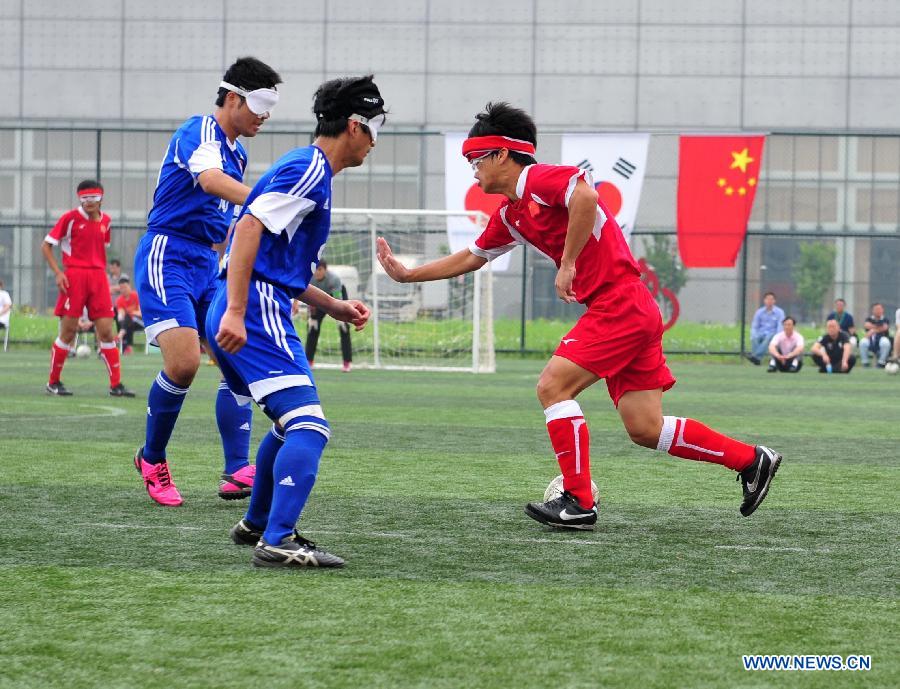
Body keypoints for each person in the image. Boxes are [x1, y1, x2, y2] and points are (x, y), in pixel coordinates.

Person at [376, 102, 782, 531]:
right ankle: (751, 460)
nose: (472, 170)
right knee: (645, 428)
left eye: (476, 160)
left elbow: (586, 196)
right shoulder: (513, 213)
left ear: (501, 154)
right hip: (632, 307)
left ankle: (579, 500)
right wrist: (408, 275)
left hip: (619, 304)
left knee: (553, 385)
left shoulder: (537, 177)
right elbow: (473, 256)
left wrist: (567, 262)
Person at [208, 75, 382, 568]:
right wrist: (240, 312)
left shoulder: (309, 170)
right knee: (310, 425)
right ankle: (279, 539)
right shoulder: (310, 167)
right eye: (374, 128)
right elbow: (247, 230)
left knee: (288, 426)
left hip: (249, 300)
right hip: (254, 307)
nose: (374, 141)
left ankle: (259, 522)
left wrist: (332, 305)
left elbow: (274, 260)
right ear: (354, 125)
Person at [132, 57, 282, 506]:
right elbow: (211, 181)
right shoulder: (198, 132)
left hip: (207, 264)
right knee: (183, 365)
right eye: (259, 103)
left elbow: (235, 219)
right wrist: (271, 202)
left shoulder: (238, 150)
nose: (265, 114)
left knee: (237, 357)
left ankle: (236, 469)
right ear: (233, 98)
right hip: (168, 254)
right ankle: (151, 458)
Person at [41, 180, 134, 397]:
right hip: (74, 276)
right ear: (79, 198)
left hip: (98, 278)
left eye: (93, 198)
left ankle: (116, 385)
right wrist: (58, 273)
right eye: (85, 198)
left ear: (101, 198)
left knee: (106, 332)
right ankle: (53, 382)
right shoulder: (69, 219)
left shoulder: (107, 221)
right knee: (68, 331)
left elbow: (102, 247)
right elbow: (46, 246)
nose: (89, 202)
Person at [304, 261, 353, 372]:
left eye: (320, 269)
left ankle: (347, 363)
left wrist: (341, 316)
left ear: (325, 270)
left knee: (343, 328)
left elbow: (338, 300)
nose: (317, 272)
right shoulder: (310, 279)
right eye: (315, 269)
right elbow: (309, 298)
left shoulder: (334, 279)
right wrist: (312, 317)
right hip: (319, 299)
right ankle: (309, 361)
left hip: (336, 298)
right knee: (312, 329)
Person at [749, 292, 785, 365]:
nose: (769, 301)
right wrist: (753, 335)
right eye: (767, 299)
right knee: (754, 338)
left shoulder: (780, 312)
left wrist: (777, 337)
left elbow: (780, 327)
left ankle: (756, 357)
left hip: (773, 333)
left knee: (768, 338)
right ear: (764, 300)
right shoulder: (759, 312)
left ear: (774, 301)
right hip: (761, 333)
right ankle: (757, 359)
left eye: (771, 299)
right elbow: (754, 326)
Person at [115, 277, 143, 355]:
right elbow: (121, 314)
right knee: (126, 321)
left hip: (140, 322)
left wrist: (131, 313)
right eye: (121, 288)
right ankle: (128, 348)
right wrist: (120, 316)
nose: (123, 290)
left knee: (128, 317)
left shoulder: (136, 296)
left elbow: (141, 313)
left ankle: (120, 336)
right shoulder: (119, 300)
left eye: (125, 287)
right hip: (129, 323)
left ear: (129, 286)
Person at [859, 302, 891, 368]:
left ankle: (881, 363)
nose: (878, 311)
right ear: (872, 310)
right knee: (863, 342)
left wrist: (873, 330)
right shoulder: (869, 319)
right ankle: (865, 363)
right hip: (870, 339)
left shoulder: (885, 319)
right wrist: (879, 328)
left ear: (882, 310)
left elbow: (885, 328)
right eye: (876, 309)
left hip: (881, 339)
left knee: (885, 342)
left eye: (879, 309)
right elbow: (867, 325)